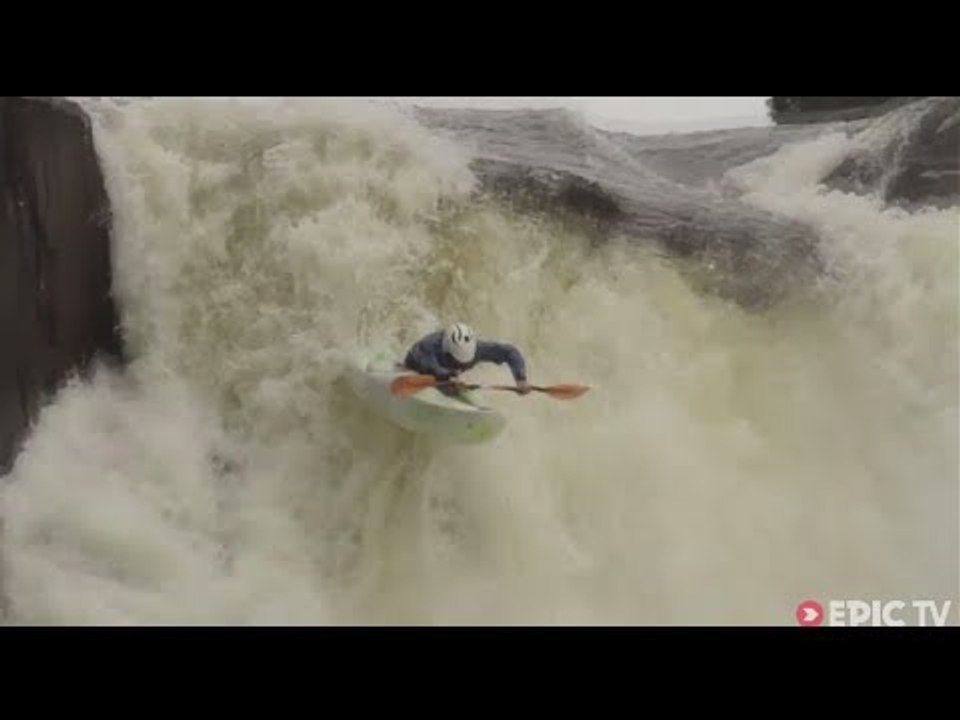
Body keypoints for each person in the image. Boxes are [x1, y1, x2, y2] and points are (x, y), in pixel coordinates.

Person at [403, 322, 531, 395]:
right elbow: (430, 365)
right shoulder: (427, 347)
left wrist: (521, 379)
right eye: (456, 362)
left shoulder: (477, 349)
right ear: (446, 351)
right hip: (417, 369)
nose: (460, 367)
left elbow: (510, 352)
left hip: (446, 379)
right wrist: (449, 377)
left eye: (465, 364)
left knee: (452, 385)